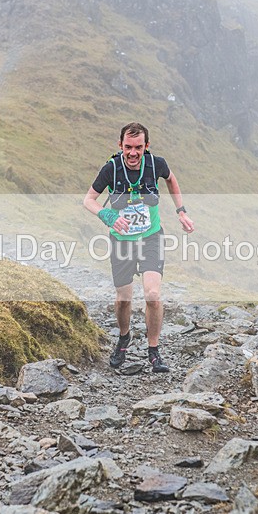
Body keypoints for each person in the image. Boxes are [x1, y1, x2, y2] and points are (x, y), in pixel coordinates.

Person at [83, 122, 194, 373]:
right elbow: (88, 200)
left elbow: (171, 180)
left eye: (138, 147)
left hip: (151, 238)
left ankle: (153, 351)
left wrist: (181, 211)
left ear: (146, 146)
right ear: (120, 145)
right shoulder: (110, 169)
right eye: (128, 147)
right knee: (124, 300)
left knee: (152, 296)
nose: (133, 153)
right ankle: (124, 338)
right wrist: (108, 216)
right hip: (121, 242)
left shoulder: (156, 164)